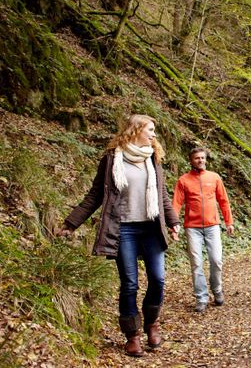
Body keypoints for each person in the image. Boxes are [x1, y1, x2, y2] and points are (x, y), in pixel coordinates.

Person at [58, 114, 180, 357]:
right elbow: (94, 196)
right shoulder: (112, 159)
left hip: (151, 228)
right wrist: (71, 223)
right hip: (123, 229)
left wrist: (174, 222)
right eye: (151, 130)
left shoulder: (153, 159)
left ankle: (151, 324)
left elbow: (162, 195)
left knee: (158, 279)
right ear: (135, 130)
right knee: (130, 283)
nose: (154, 135)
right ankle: (132, 335)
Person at [173, 147, 234, 313]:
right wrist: (174, 225)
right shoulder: (183, 180)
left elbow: (224, 201)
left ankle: (217, 289)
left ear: (205, 159)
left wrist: (229, 222)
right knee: (196, 264)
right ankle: (201, 297)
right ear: (191, 161)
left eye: (202, 158)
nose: (200, 160)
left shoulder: (214, 177)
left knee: (216, 260)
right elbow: (177, 203)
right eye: (197, 158)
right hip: (192, 228)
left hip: (213, 226)